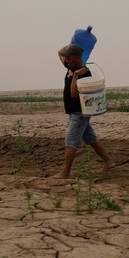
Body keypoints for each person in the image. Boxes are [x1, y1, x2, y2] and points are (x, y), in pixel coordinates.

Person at [53, 44, 114, 179]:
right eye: (67, 57)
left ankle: (65, 172)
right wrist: (74, 42)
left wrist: (75, 76)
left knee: (71, 140)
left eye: (69, 57)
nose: (66, 59)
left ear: (77, 58)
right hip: (74, 113)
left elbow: (74, 94)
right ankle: (109, 162)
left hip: (79, 113)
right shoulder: (70, 65)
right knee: (91, 139)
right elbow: (59, 52)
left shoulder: (84, 72)